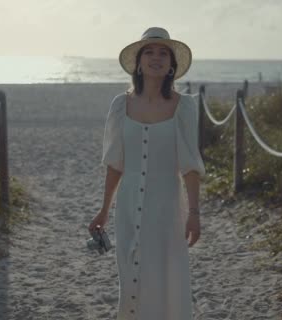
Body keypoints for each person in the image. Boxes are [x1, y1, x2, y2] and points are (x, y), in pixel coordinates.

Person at [88, 27, 206, 320]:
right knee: (132, 276)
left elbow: (190, 166)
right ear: (138, 63)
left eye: (163, 53)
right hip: (128, 205)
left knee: (167, 277)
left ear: (172, 66)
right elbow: (115, 164)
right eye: (149, 52)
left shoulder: (185, 106)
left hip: (167, 206)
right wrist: (103, 210)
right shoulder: (120, 105)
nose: (156, 58)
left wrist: (194, 212)